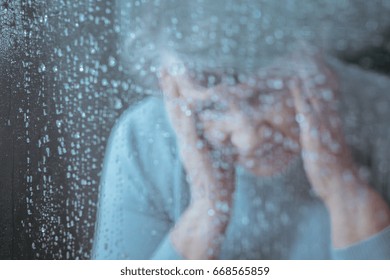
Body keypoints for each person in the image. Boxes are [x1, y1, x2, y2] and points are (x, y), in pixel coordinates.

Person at [92, 0, 390, 259]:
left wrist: (345, 189)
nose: (249, 139)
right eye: (211, 108)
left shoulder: (382, 112)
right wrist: (207, 210)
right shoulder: (141, 141)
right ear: (168, 86)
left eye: (265, 94)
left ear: (311, 54)